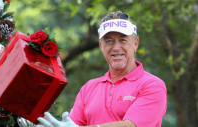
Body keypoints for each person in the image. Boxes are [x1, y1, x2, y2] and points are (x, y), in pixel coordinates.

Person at [37, 11, 167, 127]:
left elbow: (130, 125)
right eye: (109, 41)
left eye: (123, 40)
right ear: (101, 45)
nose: (116, 47)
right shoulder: (88, 88)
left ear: (135, 43)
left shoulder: (152, 85)